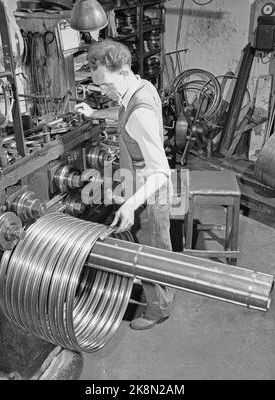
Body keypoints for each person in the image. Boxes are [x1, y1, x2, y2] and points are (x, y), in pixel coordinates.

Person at [75, 39, 175, 330]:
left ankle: (159, 309)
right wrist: (95, 115)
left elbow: (162, 172)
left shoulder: (140, 111)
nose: (103, 93)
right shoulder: (140, 87)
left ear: (123, 70)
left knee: (153, 252)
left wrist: (131, 204)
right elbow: (122, 111)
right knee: (152, 248)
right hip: (139, 184)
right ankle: (159, 295)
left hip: (151, 191)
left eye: (105, 85)